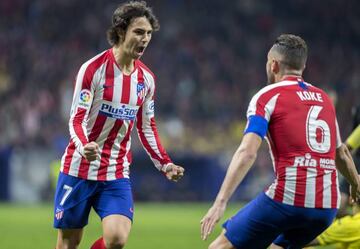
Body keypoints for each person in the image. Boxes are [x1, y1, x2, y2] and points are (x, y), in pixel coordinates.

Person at [200, 34, 360, 249]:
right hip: (326, 208)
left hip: (289, 198)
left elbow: (247, 152)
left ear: (273, 64)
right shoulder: (324, 99)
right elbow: (340, 154)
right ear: (302, 66)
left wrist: (220, 202)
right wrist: (356, 184)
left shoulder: (267, 96)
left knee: (219, 247)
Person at [53, 1, 185, 249]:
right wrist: (84, 146)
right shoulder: (92, 70)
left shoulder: (146, 80)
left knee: (117, 239)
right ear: (121, 31)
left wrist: (165, 163)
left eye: (148, 33)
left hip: (115, 171)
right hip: (79, 168)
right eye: (138, 32)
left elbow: (147, 127)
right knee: (68, 244)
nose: (145, 39)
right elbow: (77, 118)